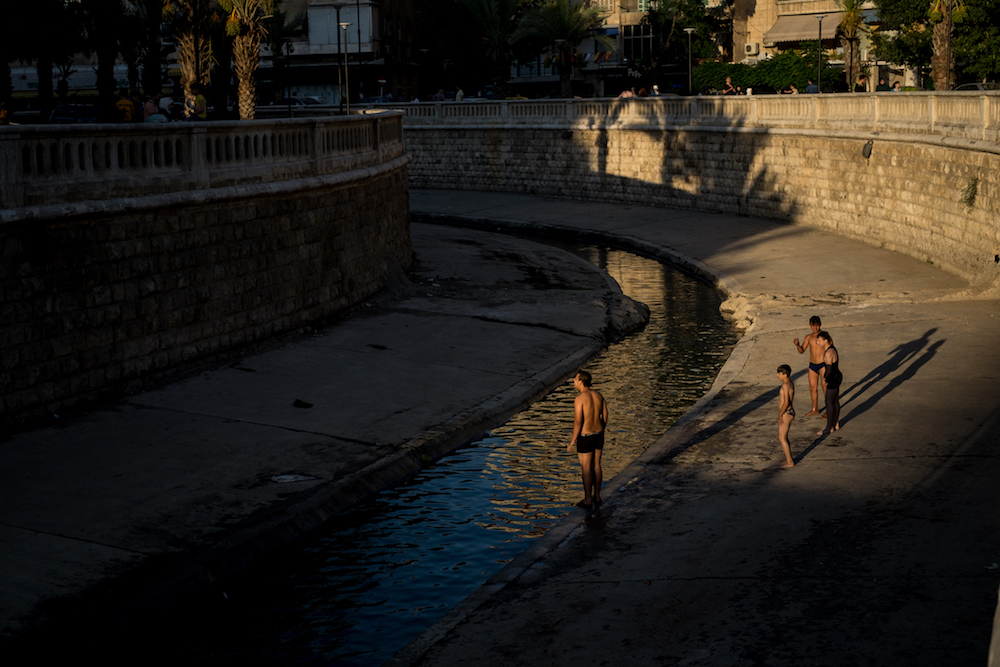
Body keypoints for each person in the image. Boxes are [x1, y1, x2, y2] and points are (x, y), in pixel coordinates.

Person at [566, 370, 609, 510]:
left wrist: (572, 440)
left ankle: (587, 499)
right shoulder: (598, 395)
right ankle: (597, 496)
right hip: (598, 434)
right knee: (597, 465)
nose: (573, 380)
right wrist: (602, 427)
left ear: (581, 381)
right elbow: (605, 415)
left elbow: (578, 421)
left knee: (586, 468)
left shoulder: (579, 399)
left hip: (585, 436)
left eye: (575, 379)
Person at [793, 316, 825, 417]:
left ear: (820, 324)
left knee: (825, 387)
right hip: (812, 365)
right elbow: (802, 350)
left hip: (823, 364)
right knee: (812, 387)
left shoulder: (824, 335)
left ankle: (829, 409)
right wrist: (797, 345)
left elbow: (831, 349)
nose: (815, 328)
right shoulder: (808, 337)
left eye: (817, 325)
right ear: (810, 325)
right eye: (813, 326)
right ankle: (815, 409)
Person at [816, 331, 842, 435]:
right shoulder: (832, 348)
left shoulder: (828, 352)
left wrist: (825, 379)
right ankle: (835, 423)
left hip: (833, 378)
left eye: (819, 341)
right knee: (835, 401)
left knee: (829, 401)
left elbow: (829, 369)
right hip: (837, 376)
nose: (817, 343)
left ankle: (829, 427)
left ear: (825, 341)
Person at [776, 364, 795, 468]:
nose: (777, 375)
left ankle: (789, 462)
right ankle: (788, 459)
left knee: (782, 437)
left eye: (779, 373)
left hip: (786, 413)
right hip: (788, 412)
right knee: (784, 437)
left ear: (785, 374)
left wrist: (780, 415)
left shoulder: (785, 385)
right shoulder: (789, 383)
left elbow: (786, 402)